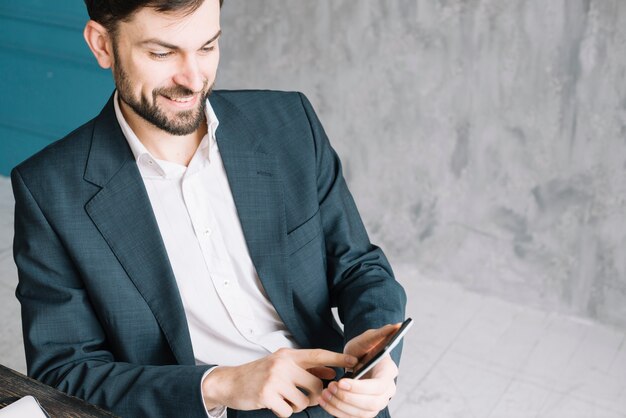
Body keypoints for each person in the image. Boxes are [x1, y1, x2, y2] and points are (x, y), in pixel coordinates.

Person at [11, 0, 407, 417]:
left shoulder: (289, 122)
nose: (194, 78)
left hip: (334, 398)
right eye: (162, 53)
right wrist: (219, 384)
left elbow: (360, 267)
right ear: (102, 44)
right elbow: (66, 374)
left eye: (207, 47)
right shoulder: (50, 189)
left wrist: (376, 358)